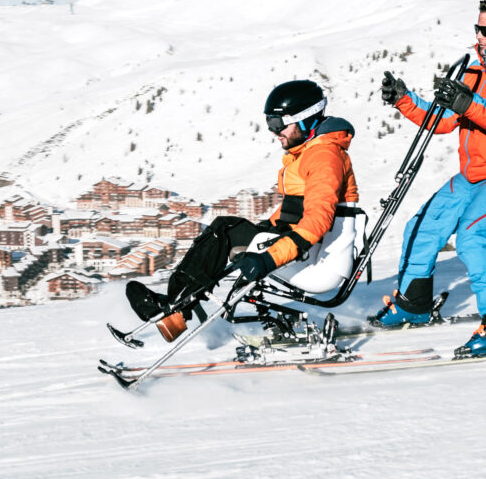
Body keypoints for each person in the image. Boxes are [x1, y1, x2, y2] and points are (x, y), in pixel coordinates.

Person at [374, 0, 486, 357]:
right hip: (473, 174)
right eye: (477, 28)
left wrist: (468, 104)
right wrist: (404, 99)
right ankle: (413, 304)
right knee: (422, 225)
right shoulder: (476, 69)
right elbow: (445, 120)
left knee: (472, 237)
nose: (480, 36)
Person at [126, 80, 359, 341]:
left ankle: (174, 307)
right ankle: (176, 306)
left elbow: (317, 220)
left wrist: (267, 259)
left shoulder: (324, 156)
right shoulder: (308, 152)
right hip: (307, 249)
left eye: (278, 124)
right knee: (228, 229)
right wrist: (264, 230)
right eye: (270, 124)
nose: (275, 132)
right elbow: (293, 213)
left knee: (224, 231)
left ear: (305, 120)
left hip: (320, 266)